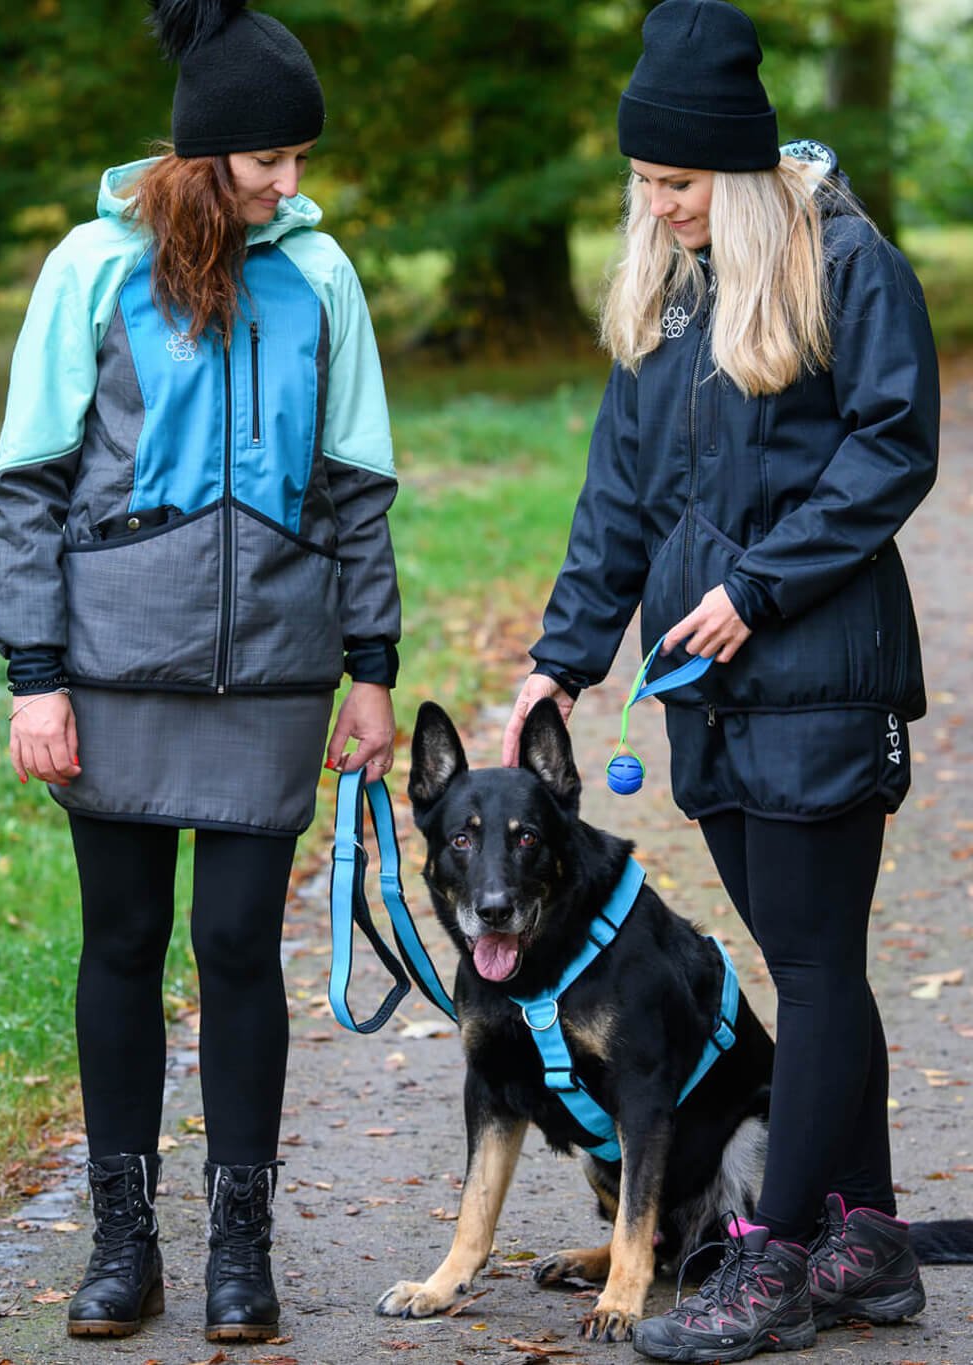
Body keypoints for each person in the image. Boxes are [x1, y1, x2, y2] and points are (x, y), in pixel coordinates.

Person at [502, 1, 939, 1360]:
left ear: (741, 174)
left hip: (817, 669)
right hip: (710, 695)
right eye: (642, 184)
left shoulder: (844, 264)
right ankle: (866, 1234)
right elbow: (617, 502)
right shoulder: (664, 300)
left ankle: (780, 1254)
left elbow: (894, 446)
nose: (660, 207)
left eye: (679, 184)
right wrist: (562, 660)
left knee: (808, 970)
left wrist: (758, 588)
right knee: (813, 969)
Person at [0, 0, 400, 1344]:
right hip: (107, 672)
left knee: (233, 945)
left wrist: (375, 674)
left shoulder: (322, 276)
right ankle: (121, 1249)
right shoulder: (88, 269)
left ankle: (238, 1252)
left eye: (297, 157)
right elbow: (28, 486)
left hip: (275, 673)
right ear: (206, 153)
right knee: (119, 944)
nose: (292, 181)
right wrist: (34, 674)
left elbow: (356, 488)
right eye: (270, 159)